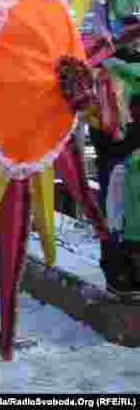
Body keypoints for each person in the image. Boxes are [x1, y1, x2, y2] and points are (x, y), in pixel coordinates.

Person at [90, 47, 140, 298]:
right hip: (120, 158)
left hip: (117, 156)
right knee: (119, 218)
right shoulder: (108, 72)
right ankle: (122, 275)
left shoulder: (103, 67)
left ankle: (121, 274)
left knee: (115, 218)